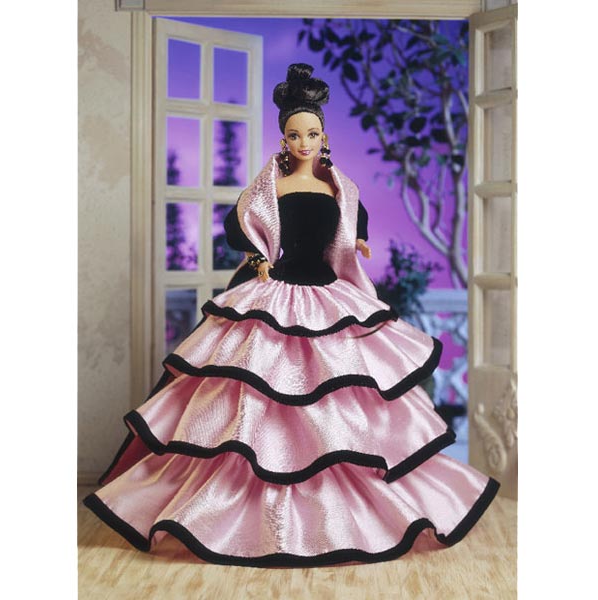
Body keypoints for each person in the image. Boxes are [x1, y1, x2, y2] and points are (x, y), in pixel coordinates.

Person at [83, 63, 500, 568]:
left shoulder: (340, 188)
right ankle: (240, 511)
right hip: (277, 292)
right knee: (259, 398)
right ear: (284, 139)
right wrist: (259, 258)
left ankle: (340, 512)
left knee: (337, 398)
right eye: (295, 135)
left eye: (312, 134)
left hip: (328, 295)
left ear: (324, 137)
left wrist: (357, 241)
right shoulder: (271, 188)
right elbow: (242, 226)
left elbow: (352, 224)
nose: (304, 142)